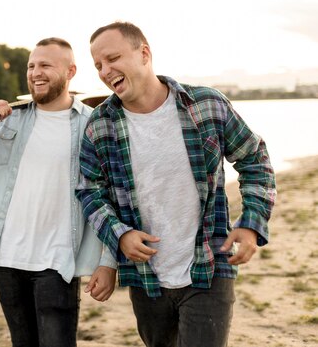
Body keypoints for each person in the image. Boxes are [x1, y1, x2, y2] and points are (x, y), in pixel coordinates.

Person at [76, 21, 276, 347]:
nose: (104, 70)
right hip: (145, 277)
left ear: (144, 53)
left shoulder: (206, 105)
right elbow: (88, 190)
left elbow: (255, 159)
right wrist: (119, 234)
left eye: (112, 58)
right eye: (98, 65)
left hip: (208, 267)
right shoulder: (100, 124)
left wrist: (252, 222)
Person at [0, 37, 117, 347]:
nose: (35, 72)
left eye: (45, 65)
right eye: (31, 66)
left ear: (70, 71)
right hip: (8, 259)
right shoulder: (11, 120)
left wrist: (108, 261)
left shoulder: (91, 124)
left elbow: (110, 195)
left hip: (57, 261)